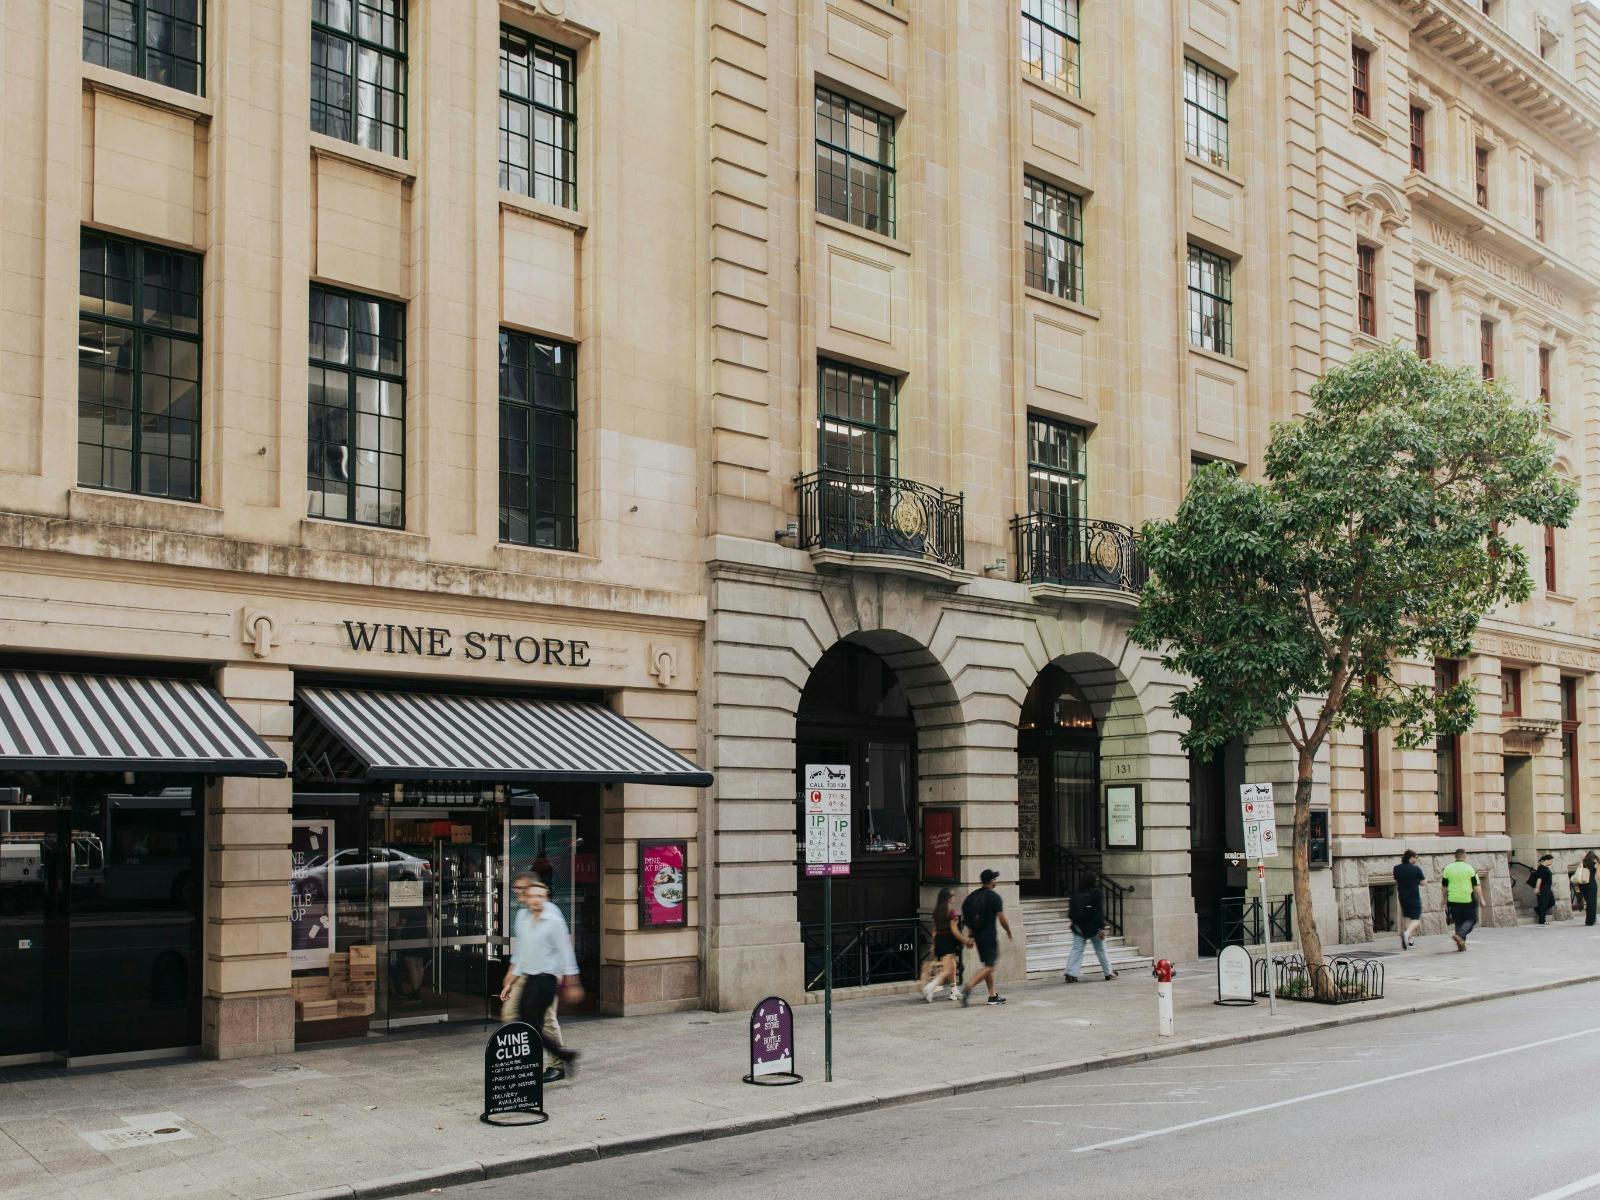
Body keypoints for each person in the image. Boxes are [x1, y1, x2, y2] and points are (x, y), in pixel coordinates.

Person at [498, 875, 582, 1075]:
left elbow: (565, 950)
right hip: (528, 973)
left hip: (547, 976)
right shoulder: (523, 916)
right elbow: (523, 950)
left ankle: (557, 1063)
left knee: (544, 1021)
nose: (518, 891)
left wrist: (572, 981)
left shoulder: (552, 916)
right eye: (518, 889)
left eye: (522, 888)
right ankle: (557, 1056)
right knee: (518, 1018)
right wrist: (512, 976)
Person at [957, 869, 1014, 1006]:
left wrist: (970, 935)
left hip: (977, 935)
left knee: (986, 965)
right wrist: (1008, 931)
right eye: (995, 878)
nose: (996, 881)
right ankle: (969, 986)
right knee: (989, 966)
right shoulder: (993, 897)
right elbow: (1002, 918)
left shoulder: (971, 897)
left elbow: (967, 916)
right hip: (989, 936)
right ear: (991, 881)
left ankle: (992, 995)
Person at [920, 887, 970, 1002]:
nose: (954, 897)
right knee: (946, 970)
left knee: (952, 965)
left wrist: (933, 945)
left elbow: (934, 931)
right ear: (947, 898)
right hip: (948, 941)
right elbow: (955, 931)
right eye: (952, 896)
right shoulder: (951, 912)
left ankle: (954, 991)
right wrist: (965, 940)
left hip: (939, 940)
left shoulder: (937, 912)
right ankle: (930, 988)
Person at [1062, 884, 1117, 983]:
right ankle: (1108, 972)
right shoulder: (1096, 894)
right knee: (1101, 950)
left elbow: (1072, 911)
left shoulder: (1076, 894)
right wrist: (1101, 928)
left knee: (1077, 950)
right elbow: (1098, 913)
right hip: (1093, 928)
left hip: (1079, 927)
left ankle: (1070, 974)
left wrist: (1073, 922)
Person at [1440, 849, 1484, 951]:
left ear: (1455, 857)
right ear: (1465, 856)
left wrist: (1443, 899)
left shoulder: (1448, 869)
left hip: (1452, 900)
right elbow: (1476, 885)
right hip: (1467, 899)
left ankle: (1461, 944)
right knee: (1471, 919)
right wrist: (1481, 898)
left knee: (1459, 921)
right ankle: (1460, 935)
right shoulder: (1470, 868)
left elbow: (1444, 886)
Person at [1393, 850, 1424, 950]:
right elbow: (1424, 882)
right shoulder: (1416, 869)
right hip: (1413, 896)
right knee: (1416, 919)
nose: (1416, 859)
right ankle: (1406, 933)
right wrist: (1417, 881)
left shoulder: (1396, 868)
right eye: (1416, 857)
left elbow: (1397, 879)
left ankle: (1410, 941)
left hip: (1402, 896)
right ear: (1411, 857)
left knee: (1407, 917)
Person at [1576, 851, 1599, 928]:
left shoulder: (1582, 863)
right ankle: (1590, 921)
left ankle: (1588, 920)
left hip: (1582, 885)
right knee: (1592, 903)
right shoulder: (1595, 864)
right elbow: (1598, 876)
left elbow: (1578, 873)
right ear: (1594, 858)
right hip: (1591, 885)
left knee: (1588, 902)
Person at [1533, 853, 1557, 925]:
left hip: (1548, 888)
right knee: (1543, 904)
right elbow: (1539, 879)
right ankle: (1542, 920)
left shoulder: (1546, 868)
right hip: (1543, 888)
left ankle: (1538, 910)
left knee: (1551, 902)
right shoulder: (1541, 868)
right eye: (1551, 861)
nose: (1551, 862)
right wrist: (1537, 888)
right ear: (1546, 860)